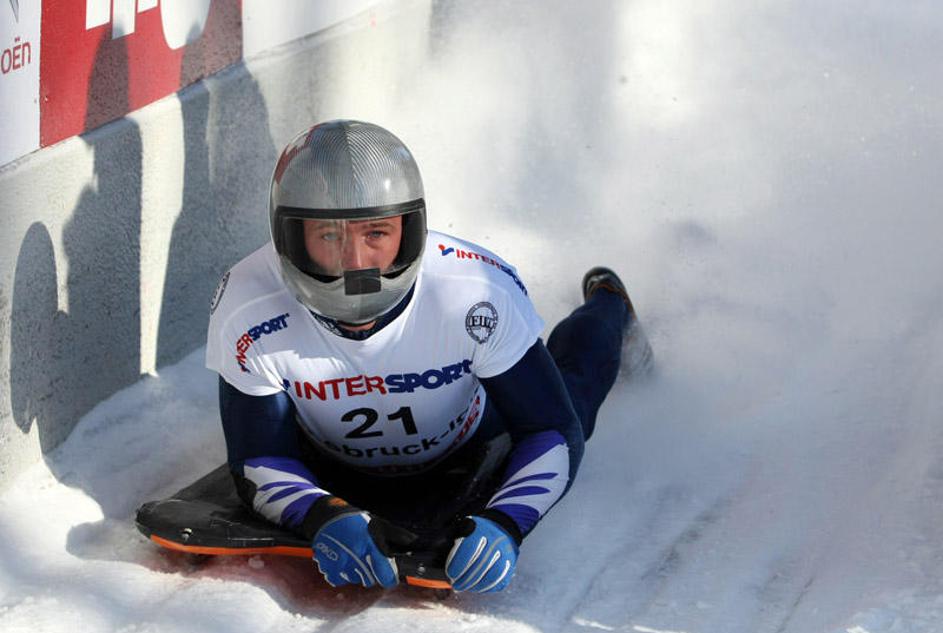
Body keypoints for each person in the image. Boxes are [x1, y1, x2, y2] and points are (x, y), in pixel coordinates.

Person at [206, 120, 652, 593]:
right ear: (289, 238)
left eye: (376, 233)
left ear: (410, 228)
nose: (357, 262)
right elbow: (259, 451)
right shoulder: (246, 305)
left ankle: (609, 305)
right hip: (328, 456)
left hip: (474, 437)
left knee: (574, 396)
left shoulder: (476, 290)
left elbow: (550, 429)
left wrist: (507, 520)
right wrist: (321, 515)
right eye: (330, 237)